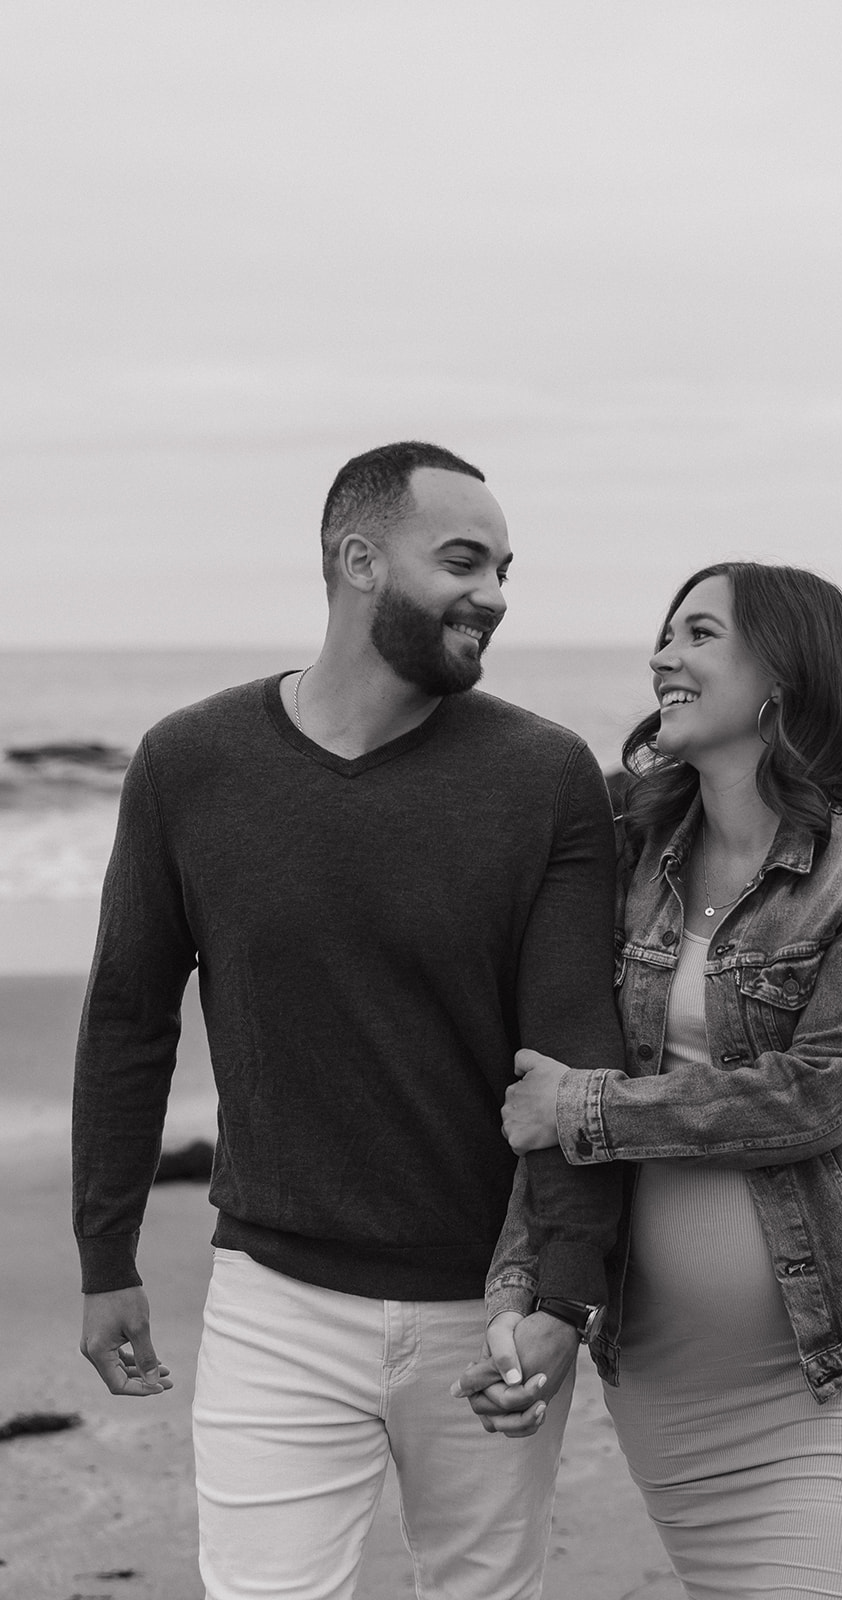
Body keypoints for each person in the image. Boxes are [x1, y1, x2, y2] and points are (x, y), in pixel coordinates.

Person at [72, 440, 623, 1600]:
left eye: (505, 567)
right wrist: (104, 1253)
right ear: (358, 560)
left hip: (492, 1304)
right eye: (462, 560)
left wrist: (565, 1299)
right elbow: (129, 1016)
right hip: (275, 1299)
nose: (496, 595)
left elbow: (576, 1058)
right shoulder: (190, 762)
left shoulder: (544, 774)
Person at [460, 561, 842, 1600]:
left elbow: (815, 1092)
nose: (661, 657)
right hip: (670, 1383)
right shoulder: (626, 856)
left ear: (781, 674)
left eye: (697, 635)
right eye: (663, 635)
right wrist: (521, 1289)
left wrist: (583, 1109)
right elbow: (547, 1091)